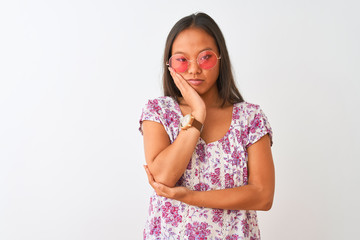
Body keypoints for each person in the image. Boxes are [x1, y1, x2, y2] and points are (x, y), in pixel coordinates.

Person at [138, 12, 275, 240]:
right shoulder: (159, 112)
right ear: (169, 65)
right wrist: (197, 114)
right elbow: (163, 178)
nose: (194, 69)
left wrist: (189, 197)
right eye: (182, 60)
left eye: (205, 57)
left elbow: (263, 196)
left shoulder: (250, 118)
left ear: (220, 58)